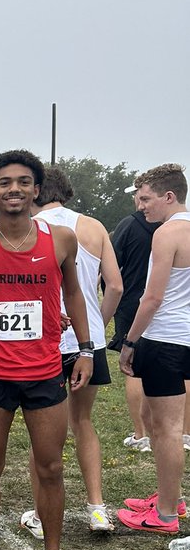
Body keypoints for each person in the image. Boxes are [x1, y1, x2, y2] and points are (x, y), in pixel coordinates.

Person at [0, 150, 91, 550]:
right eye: (4, 182)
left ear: (36, 189)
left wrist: (87, 349)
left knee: (51, 467)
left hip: (44, 374)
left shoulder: (61, 240)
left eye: (22, 182)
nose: (13, 189)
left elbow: (74, 293)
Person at [21, 166, 123, 536]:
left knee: (42, 429)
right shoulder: (93, 226)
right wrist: (95, 325)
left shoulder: (30, 229)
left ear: (34, 191)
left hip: (45, 339)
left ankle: (40, 512)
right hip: (87, 342)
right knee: (82, 423)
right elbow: (114, 285)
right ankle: (97, 508)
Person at [116, 164, 190, 536]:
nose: (142, 207)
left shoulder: (167, 233)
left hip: (164, 340)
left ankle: (165, 515)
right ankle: (169, 496)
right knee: (166, 424)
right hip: (184, 337)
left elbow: (153, 297)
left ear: (169, 196)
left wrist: (129, 341)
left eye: (146, 198)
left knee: (165, 429)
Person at [110, 185, 161, 451]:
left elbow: (110, 264)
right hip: (168, 306)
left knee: (132, 366)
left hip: (132, 302)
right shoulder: (175, 227)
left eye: (141, 197)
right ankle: (185, 432)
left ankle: (142, 434)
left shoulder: (129, 225)